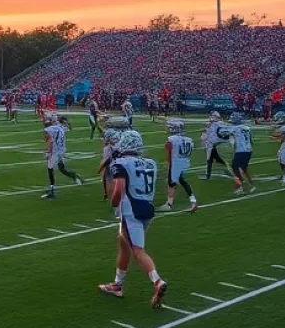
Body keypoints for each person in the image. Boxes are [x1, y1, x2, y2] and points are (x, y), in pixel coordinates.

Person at [98, 130, 167, 308]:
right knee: (124, 244)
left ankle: (157, 281)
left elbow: (119, 188)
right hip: (147, 209)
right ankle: (117, 284)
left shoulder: (121, 163)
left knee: (137, 250)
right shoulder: (150, 162)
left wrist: (114, 204)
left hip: (131, 211)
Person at [42, 113, 82, 199]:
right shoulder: (60, 127)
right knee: (61, 168)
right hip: (62, 150)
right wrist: (67, 122)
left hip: (55, 151)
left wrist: (48, 152)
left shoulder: (50, 129)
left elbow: (50, 142)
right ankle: (75, 176)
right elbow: (69, 128)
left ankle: (51, 190)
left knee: (50, 169)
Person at [163, 119, 198, 210]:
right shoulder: (188, 139)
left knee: (171, 183)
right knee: (181, 180)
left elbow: (169, 154)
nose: (169, 129)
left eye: (171, 127)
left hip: (175, 163)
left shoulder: (171, 140)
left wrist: (168, 165)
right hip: (184, 162)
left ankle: (169, 204)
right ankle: (193, 199)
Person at [228, 113, 256, 194]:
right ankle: (251, 185)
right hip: (248, 150)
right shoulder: (246, 128)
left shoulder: (235, 128)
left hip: (241, 151)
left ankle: (240, 187)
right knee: (244, 168)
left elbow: (224, 134)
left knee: (234, 168)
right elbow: (251, 140)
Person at [201, 111, 231, 181]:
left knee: (209, 159)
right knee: (216, 159)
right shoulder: (218, 123)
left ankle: (208, 176)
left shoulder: (216, 124)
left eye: (212, 116)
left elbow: (224, 134)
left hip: (212, 143)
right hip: (212, 143)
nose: (210, 117)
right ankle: (228, 167)